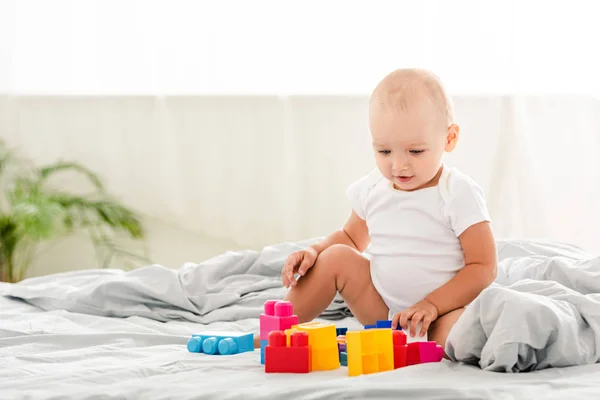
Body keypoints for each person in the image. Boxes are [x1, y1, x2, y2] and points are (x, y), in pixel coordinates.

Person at [280, 68, 498, 351]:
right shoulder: (373, 188)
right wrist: (314, 252)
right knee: (335, 256)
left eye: (415, 151)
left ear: (449, 139)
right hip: (384, 312)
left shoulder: (457, 193)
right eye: (384, 151)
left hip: (441, 313)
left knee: (466, 332)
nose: (398, 165)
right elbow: (350, 238)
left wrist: (432, 305)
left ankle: (433, 341)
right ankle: (278, 330)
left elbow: (483, 267)